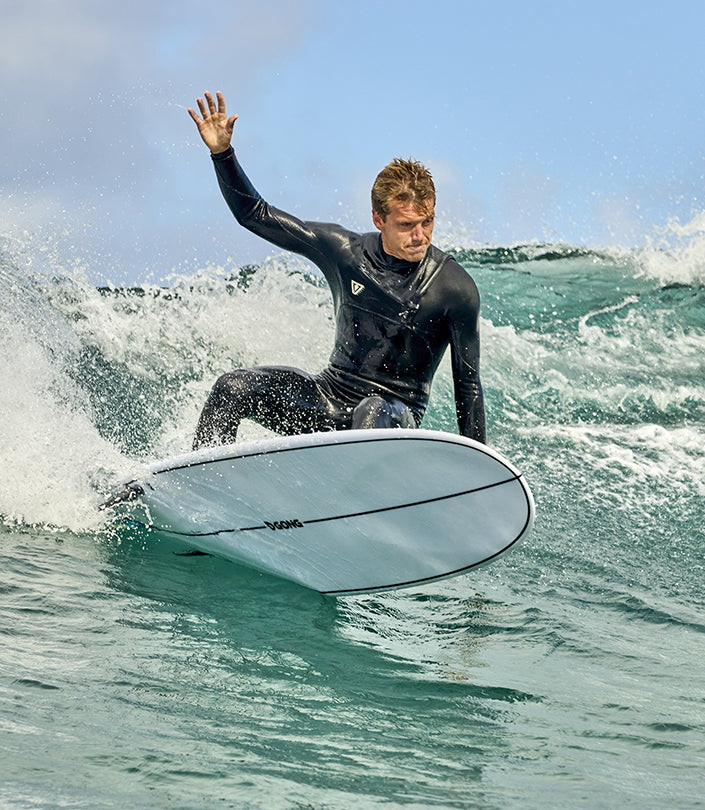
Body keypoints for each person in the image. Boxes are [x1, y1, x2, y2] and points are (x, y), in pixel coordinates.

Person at [187, 91, 486, 450]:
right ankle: (204, 481)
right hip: (329, 398)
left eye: (428, 221)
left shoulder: (453, 288)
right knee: (231, 387)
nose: (420, 235)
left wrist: (479, 471)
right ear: (379, 218)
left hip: (393, 416)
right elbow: (256, 216)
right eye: (407, 225)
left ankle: (364, 496)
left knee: (371, 410)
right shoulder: (345, 253)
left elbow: (467, 387)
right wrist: (223, 154)